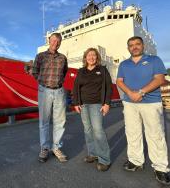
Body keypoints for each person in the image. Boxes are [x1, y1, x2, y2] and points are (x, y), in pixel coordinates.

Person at [116, 36, 170, 185]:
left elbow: (159, 79)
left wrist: (140, 92)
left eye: (137, 44)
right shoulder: (124, 64)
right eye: (131, 45)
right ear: (128, 48)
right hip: (129, 103)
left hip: (151, 102)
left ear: (143, 45)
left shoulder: (154, 60)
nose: (134, 47)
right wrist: (131, 94)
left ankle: (161, 167)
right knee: (132, 132)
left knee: (155, 134)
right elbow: (119, 81)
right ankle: (135, 161)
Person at [72, 48, 112, 171]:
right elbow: (76, 87)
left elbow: (109, 87)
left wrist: (107, 103)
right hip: (83, 105)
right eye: (89, 55)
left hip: (96, 104)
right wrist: (76, 103)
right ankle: (93, 153)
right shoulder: (81, 71)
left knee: (98, 130)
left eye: (94, 55)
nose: (91, 57)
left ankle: (104, 159)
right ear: (85, 58)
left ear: (97, 57)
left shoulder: (102, 70)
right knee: (88, 130)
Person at [32, 32, 68, 163]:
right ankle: (45, 148)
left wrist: (56, 82)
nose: (55, 43)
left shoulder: (63, 58)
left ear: (60, 43)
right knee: (44, 121)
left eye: (58, 41)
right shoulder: (40, 56)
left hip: (59, 91)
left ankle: (56, 147)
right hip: (45, 90)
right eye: (53, 41)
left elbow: (64, 72)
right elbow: (35, 71)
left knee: (60, 121)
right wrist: (43, 82)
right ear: (49, 40)